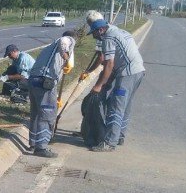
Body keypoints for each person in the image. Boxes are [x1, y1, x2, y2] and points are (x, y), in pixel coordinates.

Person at [88, 18, 145, 151]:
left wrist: (98, 85)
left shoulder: (108, 38)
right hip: (139, 72)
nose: (94, 36)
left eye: (94, 33)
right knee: (126, 106)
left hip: (127, 74)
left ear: (101, 30)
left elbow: (109, 64)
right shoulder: (121, 32)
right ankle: (119, 136)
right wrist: (106, 82)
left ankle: (109, 143)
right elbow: (114, 65)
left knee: (116, 106)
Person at [27, 34, 75, 158]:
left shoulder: (48, 48)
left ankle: (33, 142)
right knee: (47, 115)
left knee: (36, 113)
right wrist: (66, 57)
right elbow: (64, 40)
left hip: (33, 80)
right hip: (45, 82)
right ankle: (41, 147)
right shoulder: (68, 40)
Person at [78, 10, 106, 82]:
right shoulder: (106, 28)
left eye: (90, 24)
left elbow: (100, 57)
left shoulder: (100, 34)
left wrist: (88, 72)